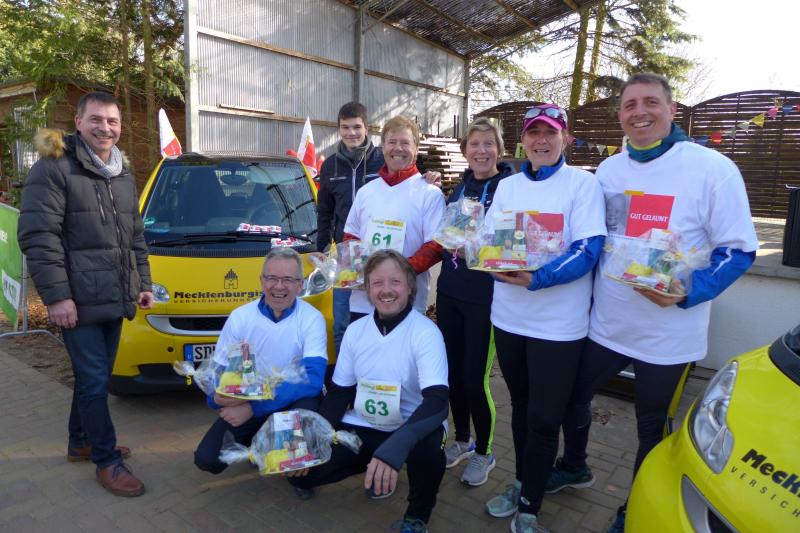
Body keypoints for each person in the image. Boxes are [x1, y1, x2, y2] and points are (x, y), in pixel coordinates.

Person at [548, 73, 758, 533]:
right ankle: (574, 466)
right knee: (571, 398)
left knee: (651, 427)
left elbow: (739, 250)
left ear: (672, 109)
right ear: (620, 115)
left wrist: (689, 292)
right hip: (606, 324)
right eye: (630, 105)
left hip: (668, 335)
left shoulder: (712, 168)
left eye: (650, 102)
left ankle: (635, 507)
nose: (639, 112)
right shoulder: (609, 170)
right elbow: (595, 238)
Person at [17, 92, 153, 497]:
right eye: (96, 119)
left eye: (112, 121)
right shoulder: (54, 167)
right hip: (76, 299)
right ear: (78, 122)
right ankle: (107, 460)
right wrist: (57, 297)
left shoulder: (122, 172)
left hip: (115, 294)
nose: (104, 128)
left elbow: (135, 236)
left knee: (94, 377)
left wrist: (143, 283)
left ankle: (80, 441)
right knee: (94, 381)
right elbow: (38, 235)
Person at [481, 104, 607, 533]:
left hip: (558, 326)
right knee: (520, 407)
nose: (541, 140)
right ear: (523, 141)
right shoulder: (508, 186)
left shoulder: (582, 184)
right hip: (509, 318)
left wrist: (538, 278)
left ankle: (530, 505)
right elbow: (494, 242)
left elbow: (588, 250)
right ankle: (522, 483)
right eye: (533, 133)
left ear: (565, 138)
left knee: (544, 418)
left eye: (550, 133)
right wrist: (485, 259)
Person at [288, 250, 449, 533]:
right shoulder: (356, 330)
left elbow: (437, 401)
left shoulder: (426, 333)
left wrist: (396, 448)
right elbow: (339, 393)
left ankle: (416, 517)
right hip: (364, 424)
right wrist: (312, 441)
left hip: (410, 426)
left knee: (429, 452)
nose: (386, 290)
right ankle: (371, 463)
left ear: (409, 287)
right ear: (367, 288)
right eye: (377, 282)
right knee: (300, 475)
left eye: (395, 282)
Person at [193, 247, 327, 474]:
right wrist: (216, 397)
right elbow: (219, 370)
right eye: (271, 278)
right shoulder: (240, 316)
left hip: (293, 401)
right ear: (261, 281)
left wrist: (253, 409)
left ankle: (293, 460)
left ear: (300, 284)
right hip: (251, 397)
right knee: (207, 459)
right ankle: (262, 441)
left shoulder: (312, 318)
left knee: (297, 471)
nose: (279, 286)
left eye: (288, 280)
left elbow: (312, 379)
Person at [436, 118, 515, 486]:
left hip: (485, 299)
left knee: (474, 379)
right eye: (474, 144)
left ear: (499, 149)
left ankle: (485, 451)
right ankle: (462, 440)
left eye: (488, 144)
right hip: (450, 292)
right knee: (452, 375)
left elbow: (514, 242)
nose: (481, 151)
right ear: (465, 151)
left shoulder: (510, 189)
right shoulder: (460, 187)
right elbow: (447, 235)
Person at [343, 116, 445, 320]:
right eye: (392, 142)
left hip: (407, 303)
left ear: (416, 149)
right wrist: (356, 269)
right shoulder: (366, 191)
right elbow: (351, 236)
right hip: (363, 303)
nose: (398, 148)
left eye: (405, 143)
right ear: (383, 147)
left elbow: (436, 246)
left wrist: (398, 273)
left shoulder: (430, 194)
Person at [316, 102, 383, 356]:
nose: (351, 133)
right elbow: (325, 212)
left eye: (356, 127)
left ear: (367, 128)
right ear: (338, 129)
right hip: (345, 255)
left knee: (378, 317)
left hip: (379, 252)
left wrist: (429, 179)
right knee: (342, 322)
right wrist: (323, 248)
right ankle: (344, 374)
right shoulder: (330, 166)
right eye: (345, 127)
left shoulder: (382, 161)